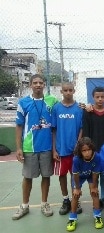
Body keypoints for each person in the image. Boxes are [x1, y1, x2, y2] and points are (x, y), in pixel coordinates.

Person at [12, 74, 58, 220]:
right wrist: (18, 147)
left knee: (46, 176)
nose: (38, 85)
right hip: (29, 147)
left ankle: (44, 203)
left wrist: (84, 106)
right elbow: (19, 126)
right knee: (28, 177)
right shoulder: (23, 102)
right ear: (30, 85)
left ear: (44, 85)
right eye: (35, 82)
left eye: (40, 82)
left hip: (46, 147)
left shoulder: (52, 101)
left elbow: (65, 107)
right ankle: (25, 205)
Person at [52, 82, 83, 215]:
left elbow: (82, 128)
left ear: (74, 91)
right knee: (62, 175)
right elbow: (53, 130)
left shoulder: (79, 108)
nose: (68, 92)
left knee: (75, 176)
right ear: (61, 92)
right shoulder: (56, 108)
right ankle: (66, 200)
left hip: (75, 151)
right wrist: (54, 149)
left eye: (70, 90)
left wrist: (79, 143)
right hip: (61, 150)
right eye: (65, 90)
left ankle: (76, 200)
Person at [82, 86, 104, 210]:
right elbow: (86, 133)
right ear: (93, 98)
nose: (100, 99)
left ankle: (103, 198)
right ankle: (95, 199)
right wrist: (88, 151)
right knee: (94, 177)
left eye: (102, 97)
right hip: (93, 152)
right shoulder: (88, 112)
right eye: (97, 97)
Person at [66, 137, 104, 231]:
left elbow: (95, 173)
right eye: (84, 151)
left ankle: (97, 216)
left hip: (91, 174)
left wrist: (94, 187)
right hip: (79, 176)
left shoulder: (97, 157)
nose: (87, 153)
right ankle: (72, 218)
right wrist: (77, 188)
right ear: (80, 151)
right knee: (75, 195)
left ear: (92, 149)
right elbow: (75, 175)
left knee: (94, 193)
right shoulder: (76, 159)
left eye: (89, 150)